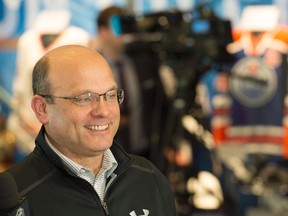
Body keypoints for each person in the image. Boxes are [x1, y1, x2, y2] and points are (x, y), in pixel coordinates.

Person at [1, 45, 178, 216]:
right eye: (85, 98)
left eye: (110, 95)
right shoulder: (15, 199)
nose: (103, 111)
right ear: (42, 108)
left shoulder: (148, 177)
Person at [95, 6, 149, 157]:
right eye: (118, 27)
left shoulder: (144, 62)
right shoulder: (91, 68)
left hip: (144, 152)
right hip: (104, 155)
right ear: (102, 31)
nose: (124, 34)